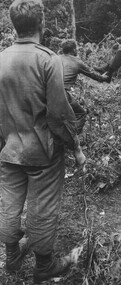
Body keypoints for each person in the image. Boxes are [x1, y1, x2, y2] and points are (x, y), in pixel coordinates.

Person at [0, 0, 86, 283]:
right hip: (42, 152)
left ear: (14, 25)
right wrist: (75, 148)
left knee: (10, 204)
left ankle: (11, 256)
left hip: (8, 149)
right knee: (42, 207)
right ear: (41, 25)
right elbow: (59, 114)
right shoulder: (48, 59)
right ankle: (44, 265)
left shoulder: (0, 58)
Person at [59, 39, 109, 134]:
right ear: (74, 49)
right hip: (62, 93)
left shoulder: (55, 58)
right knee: (80, 113)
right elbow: (93, 75)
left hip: (47, 90)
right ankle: (73, 139)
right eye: (76, 49)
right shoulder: (77, 62)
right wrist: (104, 78)